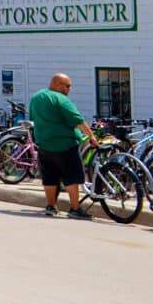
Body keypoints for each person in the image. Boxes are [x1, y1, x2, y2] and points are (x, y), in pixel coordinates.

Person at [28, 73, 103, 218]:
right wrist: (92, 136)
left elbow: (33, 117)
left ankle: (51, 206)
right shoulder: (61, 99)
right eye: (67, 86)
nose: (69, 89)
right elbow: (77, 120)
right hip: (65, 144)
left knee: (49, 176)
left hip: (44, 143)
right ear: (57, 84)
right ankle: (74, 208)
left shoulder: (36, 97)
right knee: (71, 176)